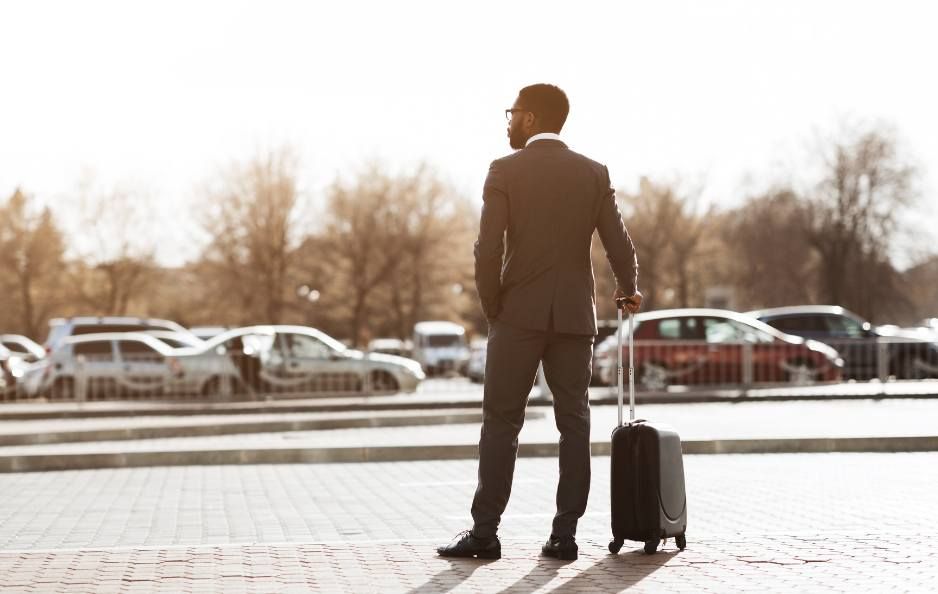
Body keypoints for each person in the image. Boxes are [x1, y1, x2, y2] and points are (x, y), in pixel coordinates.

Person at [437, 84, 642, 561]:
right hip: (574, 316)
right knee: (574, 423)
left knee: (501, 423)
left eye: (513, 113)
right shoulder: (593, 173)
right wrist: (627, 288)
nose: (508, 121)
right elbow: (619, 243)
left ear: (530, 119)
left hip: (516, 315)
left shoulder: (505, 170)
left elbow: (487, 248)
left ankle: (485, 533)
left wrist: (493, 307)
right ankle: (564, 536)